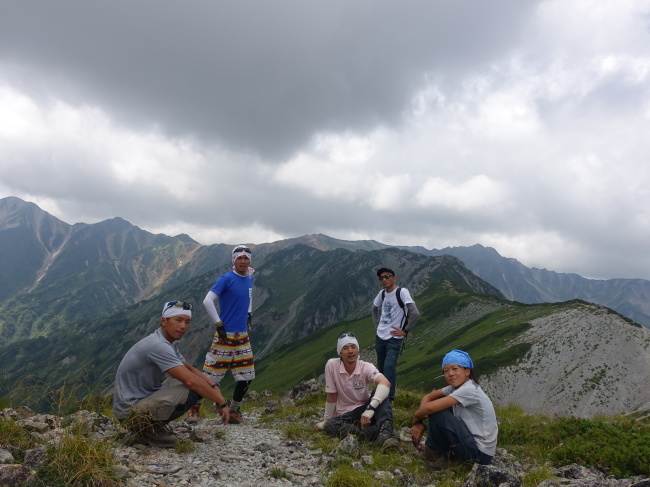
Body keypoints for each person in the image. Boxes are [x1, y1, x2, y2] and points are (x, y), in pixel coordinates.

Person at [113, 300, 230, 448]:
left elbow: (189, 369)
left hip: (134, 407)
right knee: (193, 389)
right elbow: (190, 381)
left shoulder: (167, 343)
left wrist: (213, 385)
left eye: (187, 322)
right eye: (178, 320)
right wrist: (221, 402)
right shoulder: (159, 346)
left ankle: (151, 426)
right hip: (130, 414)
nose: (183, 326)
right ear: (164, 321)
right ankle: (147, 430)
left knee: (196, 385)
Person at [410, 350, 498, 466]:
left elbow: (430, 408)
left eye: (455, 369)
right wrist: (420, 423)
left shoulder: (469, 389)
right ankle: (436, 452)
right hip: (473, 447)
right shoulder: (455, 388)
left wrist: (416, 418)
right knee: (439, 406)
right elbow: (428, 397)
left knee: (438, 411)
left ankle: (435, 453)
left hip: (479, 456)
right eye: (446, 371)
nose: (450, 373)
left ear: (467, 371)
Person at [199, 244, 255, 425]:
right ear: (234, 260)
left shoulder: (249, 278)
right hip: (225, 335)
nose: (243, 261)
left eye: (246, 258)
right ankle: (194, 409)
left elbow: (249, 297)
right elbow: (207, 301)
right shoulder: (226, 279)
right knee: (210, 376)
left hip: (242, 334)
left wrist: (249, 314)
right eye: (240, 258)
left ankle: (234, 411)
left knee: (247, 376)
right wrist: (219, 324)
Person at [316, 332, 400, 450]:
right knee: (330, 425)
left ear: (358, 350)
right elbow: (332, 395)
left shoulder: (366, 366)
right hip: (346, 414)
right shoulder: (331, 365)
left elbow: (385, 383)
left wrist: (370, 409)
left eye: (353, 347)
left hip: (365, 410)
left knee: (381, 391)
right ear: (340, 353)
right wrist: (326, 420)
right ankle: (381, 432)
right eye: (345, 348)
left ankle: (384, 434)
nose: (350, 351)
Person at [372, 267, 420, 401]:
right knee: (381, 366)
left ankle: (389, 397)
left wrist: (405, 331)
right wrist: (377, 326)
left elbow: (415, 313)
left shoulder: (402, 292)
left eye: (387, 276)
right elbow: (374, 308)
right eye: (381, 278)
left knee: (389, 366)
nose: (384, 280)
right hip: (380, 336)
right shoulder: (382, 293)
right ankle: (380, 393)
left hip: (394, 337)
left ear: (394, 278)